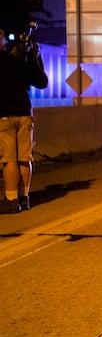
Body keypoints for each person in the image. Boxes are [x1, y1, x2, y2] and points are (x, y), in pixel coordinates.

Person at [0, 26, 49, 214]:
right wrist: (36, 56)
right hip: (24, 114)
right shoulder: (19, 60)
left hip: (4, 116)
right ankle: (25, 197)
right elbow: (42, 82)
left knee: (9, 160)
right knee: (24, 158)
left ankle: (11, 200)